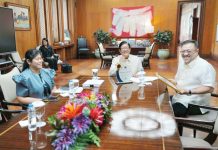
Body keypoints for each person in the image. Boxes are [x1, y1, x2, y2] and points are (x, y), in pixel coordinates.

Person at [172, 40, 216, 117]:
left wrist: (189, 91)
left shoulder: (205, 66)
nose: (185, 54)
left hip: (195, 104)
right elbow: (178, 80)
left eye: (189, 51)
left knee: (167, 111)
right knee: (161, 102)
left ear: (197, 51)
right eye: (183, 51)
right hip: (180, 98)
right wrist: (169, 81)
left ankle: (174, 128)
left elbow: (209, 88)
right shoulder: (182, 63)